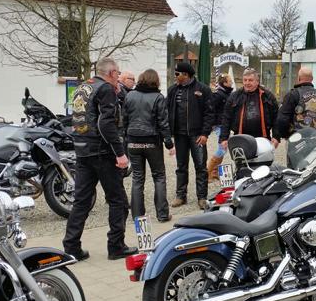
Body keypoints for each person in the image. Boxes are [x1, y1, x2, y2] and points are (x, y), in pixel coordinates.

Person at [63, 57, 134, 261]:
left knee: (81, 201)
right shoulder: (105, 89)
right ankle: (116, 246)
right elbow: (106, 124)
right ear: (111, 73)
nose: (118, 77)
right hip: (102, 152)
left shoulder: (83, 87)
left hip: (82, 150)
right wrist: (120, 153)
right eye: (118, 73)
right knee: (118, 201)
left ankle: (71, 247)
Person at [124, 69, 175, 222]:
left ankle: (138, 216)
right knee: (159, 177)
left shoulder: (129, 95)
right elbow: (163, 123)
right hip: (152, 142)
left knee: (137, 178)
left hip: (133, 141)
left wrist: (126, 138)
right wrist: (169, 144)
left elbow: (124, 120)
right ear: (156, 81)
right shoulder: (158, 97)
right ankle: (162, 214)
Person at [167, 62, 213, 210]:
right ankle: (181, 196)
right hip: (179, 135)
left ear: (186, 75)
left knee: (201, 167)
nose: (175, 76)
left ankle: (202, 197)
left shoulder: (203, 89)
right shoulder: (173, 90)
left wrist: (205, 133)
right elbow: (167, 111)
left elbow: (209, 113)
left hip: (197, 135)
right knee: (181, 166)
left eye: (177, 74)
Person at [219, 67, 280, 150]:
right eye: (245, 80)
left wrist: (276, 136)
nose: (247, 83)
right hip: (240, 138)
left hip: (263, 138)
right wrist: (224, 138)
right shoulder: (235, 96)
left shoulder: (267, 96)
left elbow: (276, 117)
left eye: (250, 80)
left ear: (257, 81)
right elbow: (226, 118)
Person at [275, 66, 316, 139]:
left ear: (298, 78)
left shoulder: (293, 94)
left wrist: (286, 135)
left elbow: (282, 119)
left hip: (298, 139)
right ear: (312, 79)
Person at [207, 73, 233, 181]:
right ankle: (207, 172)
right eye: (230, 81)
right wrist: (212, 124)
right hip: (219, 125)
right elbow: (211, 109)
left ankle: (215, 173)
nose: (232, 82)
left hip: (224, 125)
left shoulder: (227, 94)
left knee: (223, 149)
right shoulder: (218, 95)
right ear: (225, 83)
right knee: (222, 149)